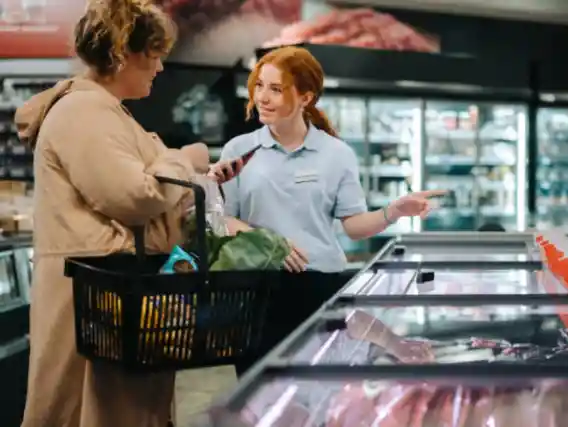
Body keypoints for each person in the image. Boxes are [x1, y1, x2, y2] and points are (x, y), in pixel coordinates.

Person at [14, 0, 240, 425]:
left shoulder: (110, 114)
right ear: (122, 54)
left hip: (113, 292)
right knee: (87, 409)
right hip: (92, 294)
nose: (159, 69)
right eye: (153, 56)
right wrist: (183, 159)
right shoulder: (83, 113)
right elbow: (134, 197)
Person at [219, 46, 446, 274]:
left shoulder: (337, 153)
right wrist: (270, 243)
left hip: (322, 279)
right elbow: (223, 219)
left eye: (276, 89)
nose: (262, 97)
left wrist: (395, 210)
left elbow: (354, 226)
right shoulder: (238, 149)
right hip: (256, 281)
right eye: (259, 85)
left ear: (305, 98)